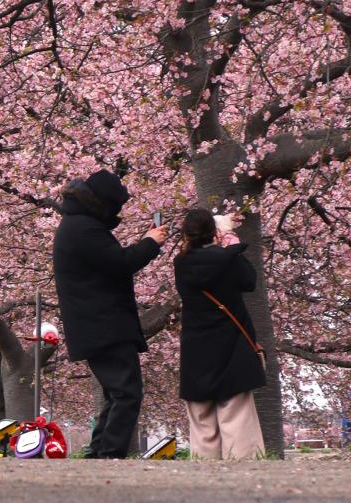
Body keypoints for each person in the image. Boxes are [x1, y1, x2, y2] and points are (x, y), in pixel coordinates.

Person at [53, 169, 167, 459]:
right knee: (126, 393)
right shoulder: (85, 229)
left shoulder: (76, 225)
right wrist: (150, 243)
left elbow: (110, 262)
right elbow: (119, 263)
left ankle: (101, 450)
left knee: (116, 392)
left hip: (96, 325)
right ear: (104, 202)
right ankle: (108, 453)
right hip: (104, 324)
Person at [173, 208, 266, 460]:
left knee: (201, 416)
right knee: (235, 413)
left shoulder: (181, 263)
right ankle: (241, 472)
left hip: (196, 347)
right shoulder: (227, 259)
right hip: (231, 344)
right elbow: (249, 281)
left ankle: (204, 472)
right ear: (213, 232)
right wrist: (230, 238)